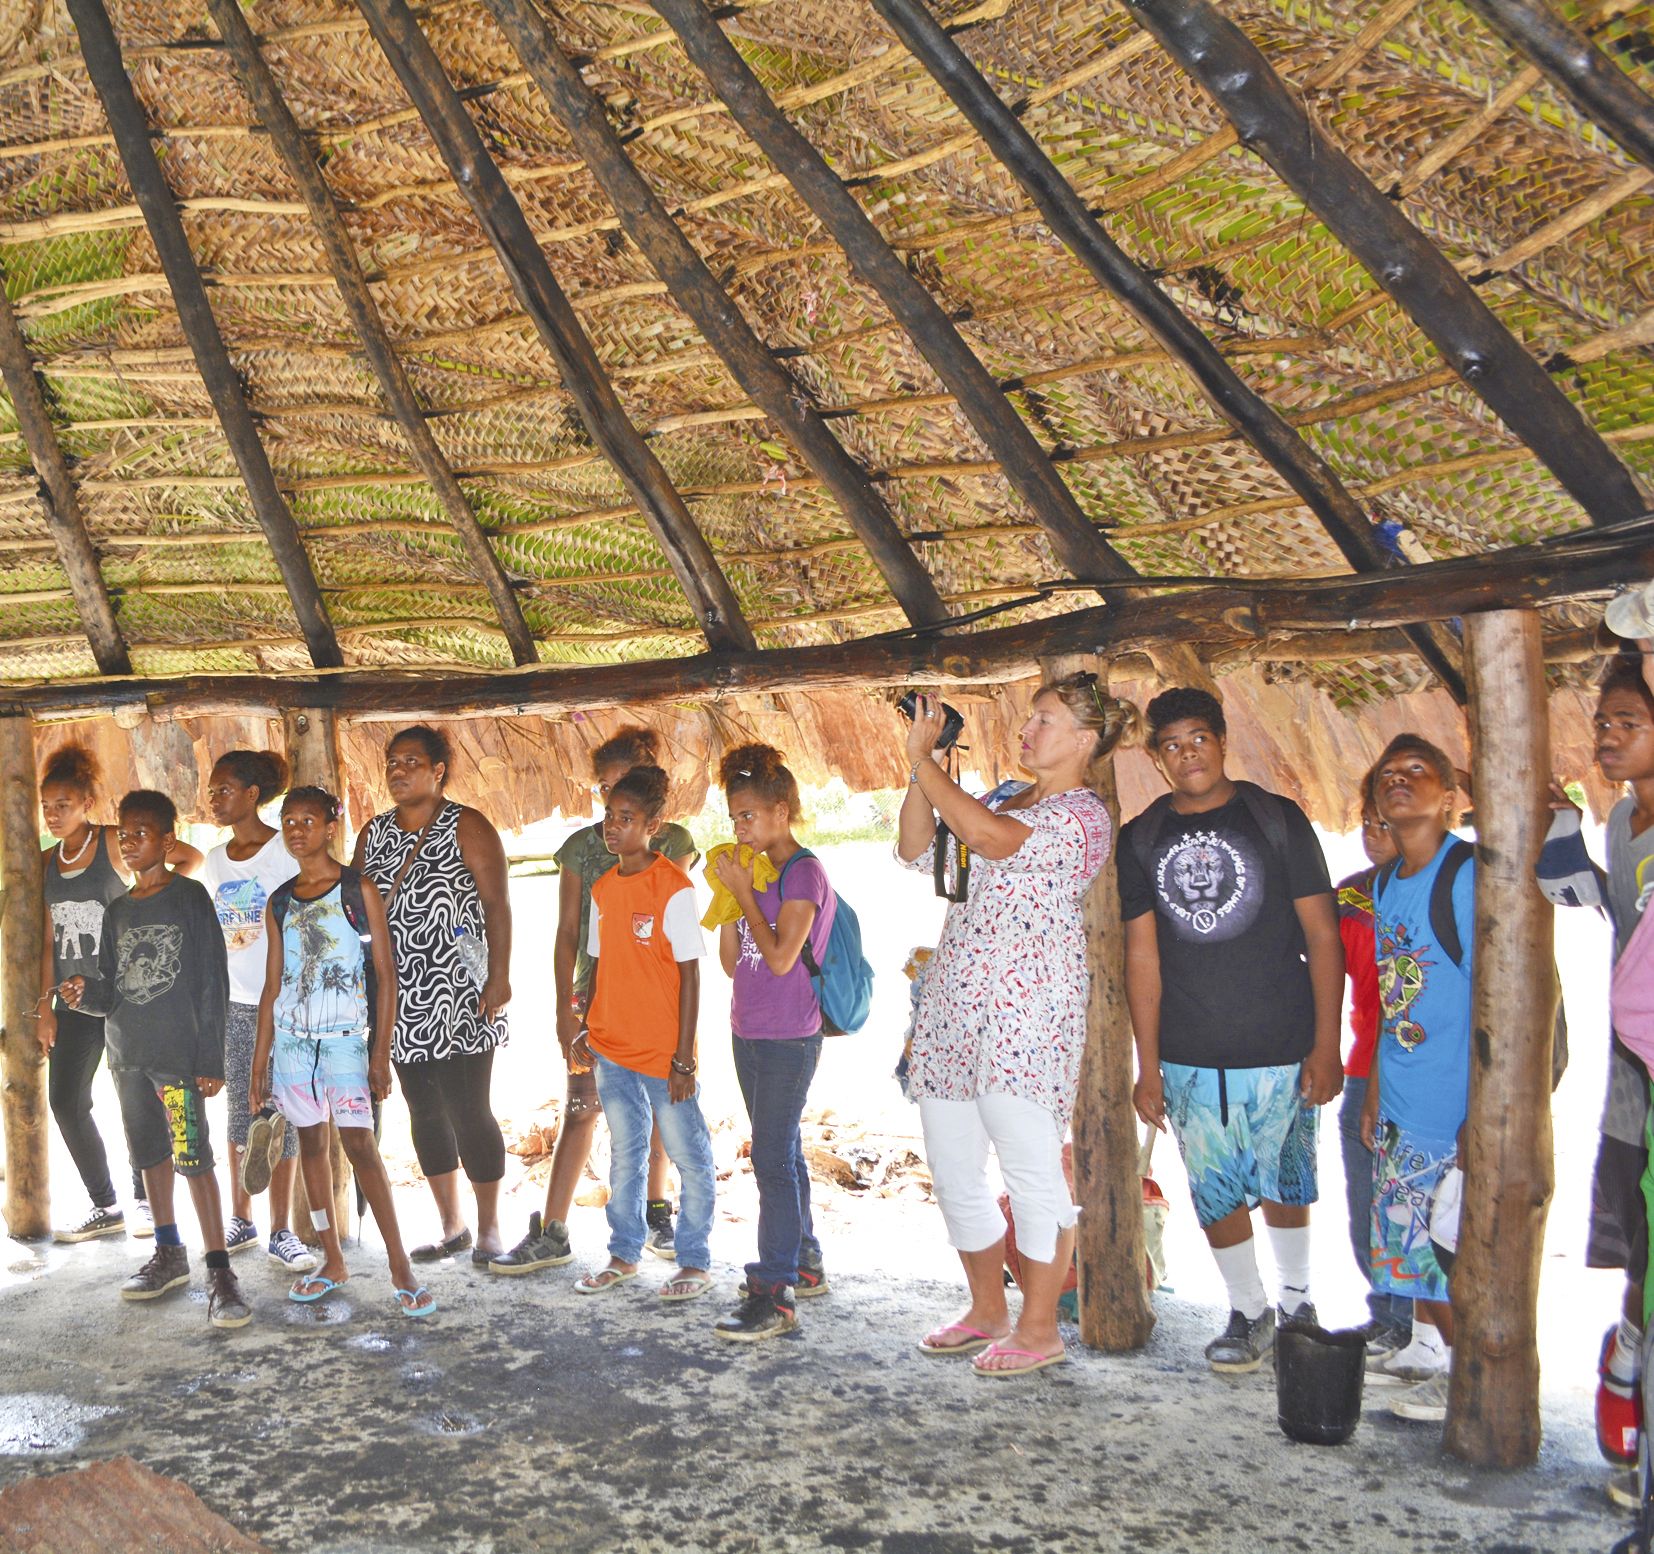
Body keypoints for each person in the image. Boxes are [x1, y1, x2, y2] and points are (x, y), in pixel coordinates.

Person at [897, 674, 1136, 1376]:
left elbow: (987, 839)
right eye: (1030, 718)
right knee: (952, 1165)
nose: (1027, 731)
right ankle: (986, 1311)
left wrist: (925, 761)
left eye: (1045, 720)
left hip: (1027, 1010)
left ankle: (1039, 1329)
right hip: (955, 1001)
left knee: (1031, 1171)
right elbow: (916, 849)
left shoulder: (1085, 816)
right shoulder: (1001, 797)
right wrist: (920, 769)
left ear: (1085, 740)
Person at [1121, 686, 1343, 1374]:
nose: (1187, 755)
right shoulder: (1141, 839)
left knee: (1287, 1180)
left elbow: (1324, 936)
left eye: (1198, 739)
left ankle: (1298, 1303)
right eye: (1171, 745)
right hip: (1191, 1053)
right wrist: (1149, 1065)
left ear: (1222, 741)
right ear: (1157, 758)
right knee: (1214, 1186)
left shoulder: (1275, 819)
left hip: (1283, 1043)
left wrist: (1327, 1044)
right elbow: (1142, 957)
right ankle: (1249, 1310)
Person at [491, 726, 697, 1276]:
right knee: (581, 1108)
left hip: (656, 999)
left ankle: (656, 1212)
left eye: (623, 789)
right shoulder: (582, 847)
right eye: (604, 791)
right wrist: (566, 1008)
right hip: (594, 996)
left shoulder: (674, 843)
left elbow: (673, 935)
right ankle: (553, 1230)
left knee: (659, 1109)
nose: (611, 807)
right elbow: (566, 932)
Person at [57, 790, 250, 1328]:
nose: (127, 842)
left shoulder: (189, 897)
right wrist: (84, 993)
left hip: (176, 1062)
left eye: (140, 833)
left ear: (167, 841)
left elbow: (213, 979)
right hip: (128, 1060)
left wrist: (210, 1058)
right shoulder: (118, 910)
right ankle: (169, 1253)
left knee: (193, 1158)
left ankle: (220, 1272)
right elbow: (111, 989)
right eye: (123, 834)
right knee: (149, 1157)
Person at [248, 786, 435, 1318]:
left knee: (360, 1146)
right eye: (288, 821)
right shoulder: (280, 901)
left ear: (331, 828)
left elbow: (385, 974)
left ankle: (400, 1266)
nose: (296, 830)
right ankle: (332, 1260)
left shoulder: (357, 889)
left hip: (346, 1042)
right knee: (311, 1146)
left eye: (307, 820)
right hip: (292, 1045)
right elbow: (273, 985)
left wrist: (380, 1053)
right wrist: (259, 1063)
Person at [1549, 659, 1654, 1503]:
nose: (1608, 736)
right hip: (1633, 1073)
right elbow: (1607, 908)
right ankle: (1630, 1353)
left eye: (1627, 722)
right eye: (1603, 722)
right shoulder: (1622, 820)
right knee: (1641, 1242)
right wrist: (1558, 826)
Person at [354, 725, 511, 1263]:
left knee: (470, 1109)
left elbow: (497, 905)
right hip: (397, 994)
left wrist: (499, 976)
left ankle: (489, 1229)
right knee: (423, 1110)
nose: (397, 771)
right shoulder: (373, 833)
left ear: (438, 770)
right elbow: (355, 908)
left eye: (411, 762)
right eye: (392, 762)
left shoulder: (467, 825)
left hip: (459, 990)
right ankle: (452, 1226)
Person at [35, 745, 201, 1243]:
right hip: (75, 1002)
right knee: (66, 1101)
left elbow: (188, 857)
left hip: (126, 995)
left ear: (87, 803)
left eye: (64, 805)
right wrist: (45, 1006)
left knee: (138, 1102)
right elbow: (47, 939)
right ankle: (105, 1204)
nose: (53, 815)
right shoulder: (46, 862)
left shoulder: (114, 841)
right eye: (46, 806)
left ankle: (145, 1200)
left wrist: (150, 902)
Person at [567, 765, 715, 1302]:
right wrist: (587, 1026)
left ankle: (694, 1261)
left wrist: (683, 1058)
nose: (613, 827)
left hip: (662, 1054)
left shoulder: (673, 887)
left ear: (653, 826)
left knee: (689, 1156)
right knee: (625, 1155)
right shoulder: (603, 888)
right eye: (609, 816)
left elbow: (691, 974)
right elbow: (600, 965)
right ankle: (624, 1254)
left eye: (626, 818)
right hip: (613, 1050)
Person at [1359, 734, 1474, 1423]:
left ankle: (1470, 1383)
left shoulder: (1465, 874)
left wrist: (1480, 1117)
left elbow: (1502, 1000)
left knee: (1450, 1247)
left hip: (1451, 1104)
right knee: (1415, 1242)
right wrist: (1375, 1088)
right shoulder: (1385, 882)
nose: (1399, 779)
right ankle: (1432, 1357)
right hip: (1402, 1098)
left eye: (1417, 770)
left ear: (1450, 796)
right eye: (1389, 773)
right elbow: (1391, 996)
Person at [710, 742, 832, 1341]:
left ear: (781, 812)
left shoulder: (803, 872)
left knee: (770, 1158)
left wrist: (746, 894)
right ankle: (804, 1263)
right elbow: (733, 964)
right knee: (783, 1150)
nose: (740, 828)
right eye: (734, 817)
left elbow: (782, 958)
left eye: (749, 815)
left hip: (789, 1038)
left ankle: (774, 1292)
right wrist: (730, 897)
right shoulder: (754, 871)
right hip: (748, 1030)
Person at [198, 749, 314, 1274]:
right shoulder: (215, 860)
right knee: (238, 1114)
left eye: (224, 790)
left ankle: (280, 1229)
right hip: (233, 1003)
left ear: (251, 795)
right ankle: (240, 1218)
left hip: (283, 1004)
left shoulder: (283, 852)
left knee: (280, 1112)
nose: (214, 798)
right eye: (211, 791)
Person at [1335, 789, 1413, 1356]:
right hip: (1363, 1069)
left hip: (1421, 1075)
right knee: (1367, 1204)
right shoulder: (1349, 899)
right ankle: (1386, 1315)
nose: (1373, 833)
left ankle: (1416, 1324)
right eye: (1367, 822)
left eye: (1385, 823)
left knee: (1411, 1206)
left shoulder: (1450, 888)